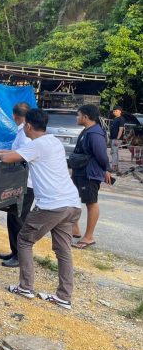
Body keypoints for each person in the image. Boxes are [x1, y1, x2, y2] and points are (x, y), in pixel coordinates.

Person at [0, 109, 82, 309]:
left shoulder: (37, 145)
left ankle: (26, 286)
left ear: (29, 126)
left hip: (52, 205)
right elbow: (17, 154)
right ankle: (64, 296)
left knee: (23, 240)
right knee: (63, 250)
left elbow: (8, 159)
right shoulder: (53, 141)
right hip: (71, 204)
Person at [0, 103, 35, 268]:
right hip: (20, 181)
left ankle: (20, 256)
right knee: (13, 216)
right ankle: (15, 251)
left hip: (26, 182)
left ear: (14, 115)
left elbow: (21, 156)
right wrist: (0, 151)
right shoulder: (22, 131)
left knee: (18, 218)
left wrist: (0, 154)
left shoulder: (25, 134)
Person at [71, 104, 112, 249]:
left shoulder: (95, 133)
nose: (77, 117)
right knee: (71, 197)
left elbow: (101, 155)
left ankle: (89, 237)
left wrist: (106, 169)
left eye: (78, 115)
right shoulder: (87, 131)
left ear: (85, 117)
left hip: (89, 174)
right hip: (80, 171)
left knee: (91, 203)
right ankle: (74, 229)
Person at [109, 105, 125, 173]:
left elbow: (121, 129)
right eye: (113, 111)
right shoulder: (114, 119)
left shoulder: (121, 119)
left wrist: (117, 139)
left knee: (114, 153)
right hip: (113, 138)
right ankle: (116, 167)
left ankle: (113, 167)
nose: (114, 112)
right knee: (115, 152)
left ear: (120, 111)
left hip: (117, 138)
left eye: (116, 111)